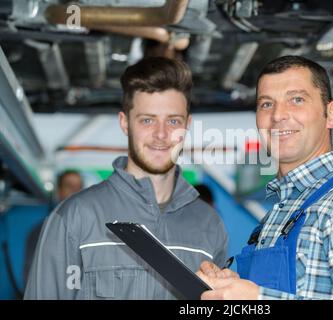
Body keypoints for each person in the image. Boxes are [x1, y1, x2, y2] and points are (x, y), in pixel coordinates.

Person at [197, 55, 333, 300]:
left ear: (331, 114)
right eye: (266, 104)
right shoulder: (280, 213)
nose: (278, 115)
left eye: (296, 100)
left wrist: (257, 300)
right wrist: (232, 288)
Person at [24, 57, 228, 299]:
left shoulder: (209, 225)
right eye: (147, 120)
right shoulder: (74, 217)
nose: (161, 134)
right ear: (125, 123)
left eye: (173, 120)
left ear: (188, 124)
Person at [23, 170, 83, 284]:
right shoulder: (43, 230)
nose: (75, 191)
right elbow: (31, 275)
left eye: (78, 187)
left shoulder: (91, 229)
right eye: (69, 186)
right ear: (59, 191)